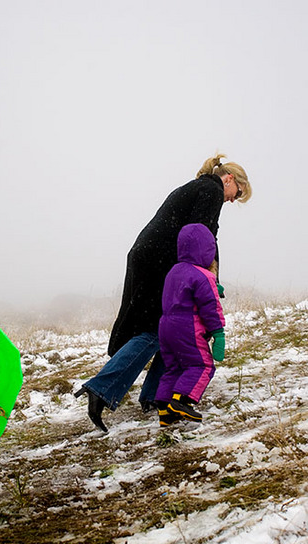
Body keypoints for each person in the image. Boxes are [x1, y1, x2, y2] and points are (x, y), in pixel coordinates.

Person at [75, 154, 251, 432]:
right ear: (229, 179)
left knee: (168, 328)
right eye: (236, 194)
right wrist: (209, 277)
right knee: (156, 330)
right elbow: (201, 235)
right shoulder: (211, 190)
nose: (231, 200)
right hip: (160, 262)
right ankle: (102, 387)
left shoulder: (193, 187)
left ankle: (156, 396)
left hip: (149, 258)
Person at [154, 223, 226, 427]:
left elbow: (185, 289)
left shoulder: (174, 271)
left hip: (165, 325)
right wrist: (218, 333)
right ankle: (182, 401)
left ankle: (165, 409)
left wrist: (214, 286)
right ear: (207, 249)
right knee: (202, 365)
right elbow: (210, 306)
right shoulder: (203, 276)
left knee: (175, 367)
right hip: (187, 326)